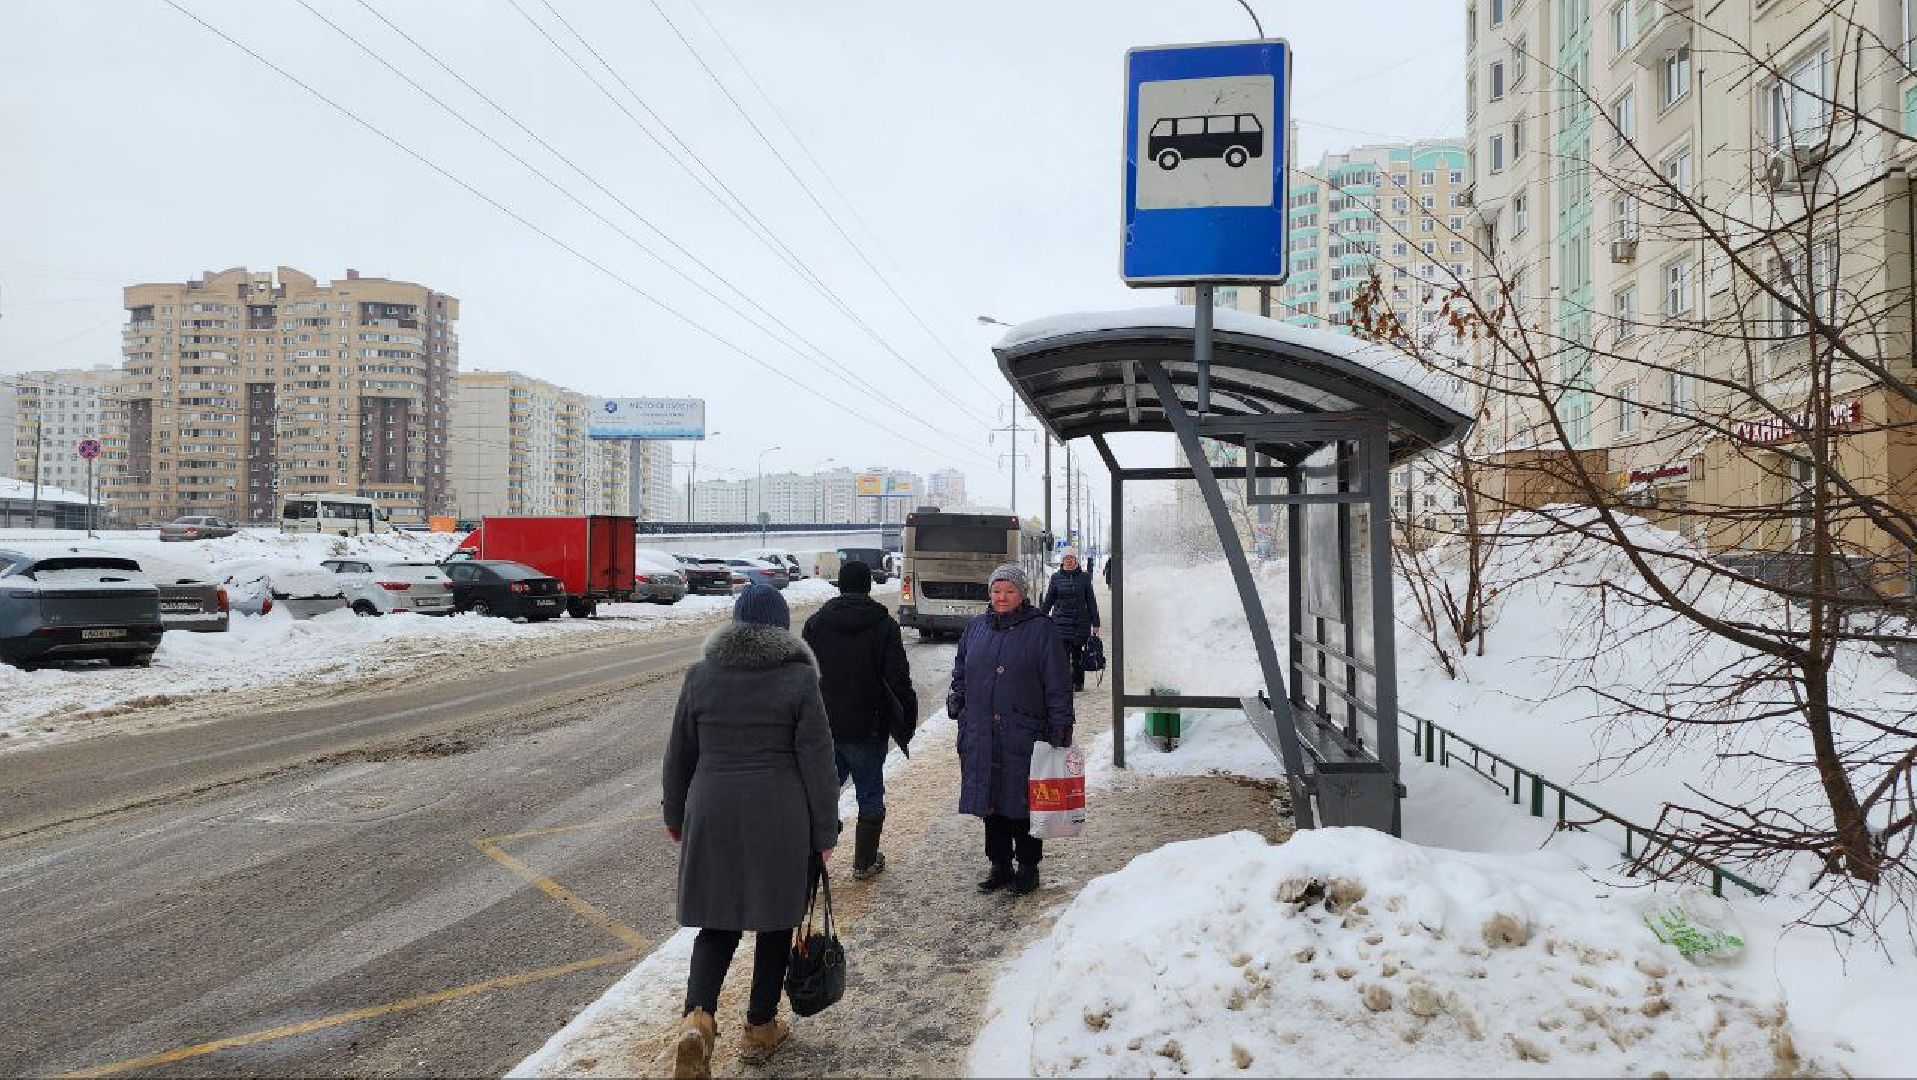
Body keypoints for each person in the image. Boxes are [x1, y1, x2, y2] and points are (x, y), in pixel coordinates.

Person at [663, 584, 839, 1078]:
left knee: (716, 922)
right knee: (775, 919)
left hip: (712, 807)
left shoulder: (700, 677)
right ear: (781, 627)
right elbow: (818, 762)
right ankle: (760, 1027)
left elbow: (679, 755)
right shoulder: (799, 680)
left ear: (735, 624)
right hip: (780, 813)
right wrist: (825, 830)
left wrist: (675, 817)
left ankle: (698, 1017)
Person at [947, 563, 1075, 897]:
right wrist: (958, 701)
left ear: (1022, 594)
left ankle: (1028, 867)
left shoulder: (1042, 629)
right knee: (991, 803)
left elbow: (1058, 685)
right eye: (996, 591)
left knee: (1022, 803)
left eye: (1009, 591)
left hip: (1025, 731)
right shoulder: (976, 628)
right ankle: (999, 864)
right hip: (981, 731)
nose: (1001, 597)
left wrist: (1061, 728)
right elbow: (960, 670)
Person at [801, 559, 918, 880]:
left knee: (822, 793)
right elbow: (897, 679)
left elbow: (803, 677)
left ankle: (813, 861)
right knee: (869, 793)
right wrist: (906, 718)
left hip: (825, 728)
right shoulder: (884, 625)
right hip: (869, 725)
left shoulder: (816, 624)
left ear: (840, 584)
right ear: (869, 586)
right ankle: (864, 862)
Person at [1040, 549, 1101, 693]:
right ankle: (1065, 684)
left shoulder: (1085, 577)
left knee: (1078, 655)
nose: (1069, 560)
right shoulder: (1055, 578)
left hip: (1080, 624)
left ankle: (1078, 683)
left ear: (1076, 560)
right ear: (1062, 561)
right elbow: (1049, 600)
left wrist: (1096, 623)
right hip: (1060, 624)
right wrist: (1040, 617)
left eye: (1071, 558)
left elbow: (1091, 600)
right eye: (1066, 558)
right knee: (1062, 657)